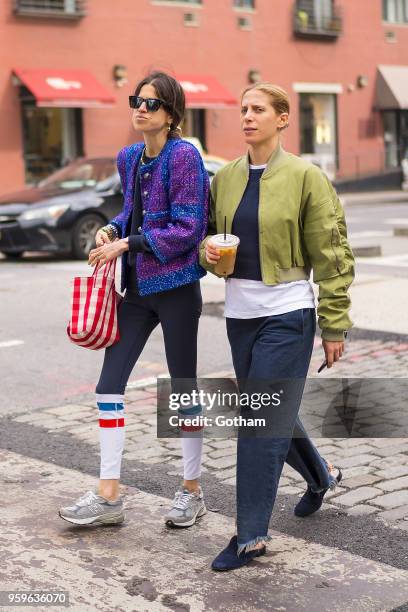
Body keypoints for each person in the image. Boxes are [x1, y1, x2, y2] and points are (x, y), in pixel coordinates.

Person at [200, 82, 354, 571]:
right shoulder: (224, 177)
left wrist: (334, 325)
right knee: (270, 412)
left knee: (257, 423)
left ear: (283, 118)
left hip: (288, 315)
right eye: (243, 108)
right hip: (240, 317)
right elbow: (211, 241)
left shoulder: (307, 177)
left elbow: (332, 256)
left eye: (259, 109)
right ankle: (321, 476)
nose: (247, 116)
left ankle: (249, 536)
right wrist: (207, 253)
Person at [59, 72, 209, 528]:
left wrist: (127, 244)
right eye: (137, 101)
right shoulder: (129, 157)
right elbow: (131, 211)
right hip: (138, 292)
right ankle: (109, 497)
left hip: (178, 288)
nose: (141, 109)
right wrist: (112, 227)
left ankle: (192, 490)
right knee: (109, 386)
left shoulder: (184, 158)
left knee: (182, 388)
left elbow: (189, 227)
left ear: (171, 115)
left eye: (152, 104)